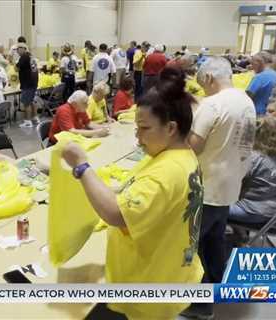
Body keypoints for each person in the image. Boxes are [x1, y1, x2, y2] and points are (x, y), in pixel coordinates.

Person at [63, 67, 203, 320]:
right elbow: (133, 190)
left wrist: (82, 166)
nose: (138, 138)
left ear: (171, 128)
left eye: (144, 128)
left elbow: (116, 214)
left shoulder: (167, 172)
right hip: (170, 270)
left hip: (149, 285)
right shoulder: (181, 155)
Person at [184, 57, 256, 319]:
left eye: (203, 84)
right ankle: (215, 293)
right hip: (229, 185)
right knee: (215, 244)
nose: (203, 89)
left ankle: (200, 305)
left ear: (210, 79)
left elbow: (194, 145)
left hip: (207, 187)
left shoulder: (212, 104)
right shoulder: (245, 101)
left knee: (194, 248)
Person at [229, 116, 276, 227]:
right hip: (272, 216)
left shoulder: (255, 158)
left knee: (210, 206)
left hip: (249, 211)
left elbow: (230, 178)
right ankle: (239, 236)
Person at [15, 43, 39, 128]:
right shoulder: (31, 57)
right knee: (33, 101)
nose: (17, 51)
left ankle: (28, 121)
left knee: (26, 103)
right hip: (34, 82)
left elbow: (16, 68)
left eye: (18, 49)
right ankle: (35, 118)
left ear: (23, 49)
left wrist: (16, 63)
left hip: (27, 83)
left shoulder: (24, 57)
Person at [246, 51, 276, 116]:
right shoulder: (275, 75)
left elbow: (247, 97)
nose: (252, 67)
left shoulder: (259, 77)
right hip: (271, 115)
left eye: (253, 63)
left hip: (257, 114)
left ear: (260, 62)